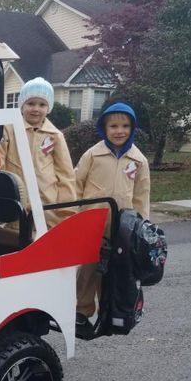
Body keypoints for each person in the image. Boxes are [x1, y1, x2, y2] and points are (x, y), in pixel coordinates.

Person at [75, 102, 150, 335]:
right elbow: (75, 184)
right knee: (88, 269)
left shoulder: (139, 161)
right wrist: (74, 216)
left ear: (132, 128)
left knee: (114, 271)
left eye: (125, 126)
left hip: (121, 228)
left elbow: (141, 196)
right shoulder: (93, 154)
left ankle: (109, 310)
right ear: (104, 128)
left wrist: (140, 228)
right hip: (91, 222)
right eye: (114, 126)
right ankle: (81, 311)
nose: (120, 131)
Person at [0, 77, 77, 227]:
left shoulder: (55, 135)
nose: (36, 109)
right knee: (17, 234)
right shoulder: (9, 129)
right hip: (18, 194)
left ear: (48, 108)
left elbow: (65, 173)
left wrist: (67, 207)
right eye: (31, 103)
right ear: (22, 105)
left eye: (42, 104)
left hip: (46, 198)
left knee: (44, 236)